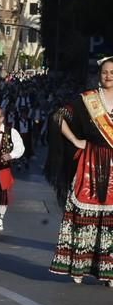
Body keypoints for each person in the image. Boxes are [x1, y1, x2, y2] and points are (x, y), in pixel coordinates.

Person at [48, 58, 113, 287]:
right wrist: (76, 140)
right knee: (85, 216)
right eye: (104, 72)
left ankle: (109, 270)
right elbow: (59, 116)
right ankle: (79, 266)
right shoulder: (87, 100)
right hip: (91, 163)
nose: (108, 76)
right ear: (99, 74)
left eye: (112, 72)